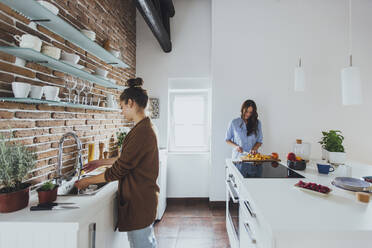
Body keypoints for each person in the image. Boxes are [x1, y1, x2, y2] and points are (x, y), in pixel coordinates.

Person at [74, 78, 159, 248]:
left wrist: (86, 181)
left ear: (130, 102)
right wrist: (100, 162)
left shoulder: (142, 132)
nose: (121, 112)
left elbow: (117, 171)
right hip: (143, 197)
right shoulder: (144, 126)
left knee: (143, 245)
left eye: (121, 107)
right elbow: (128, 158)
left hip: (139, 200)